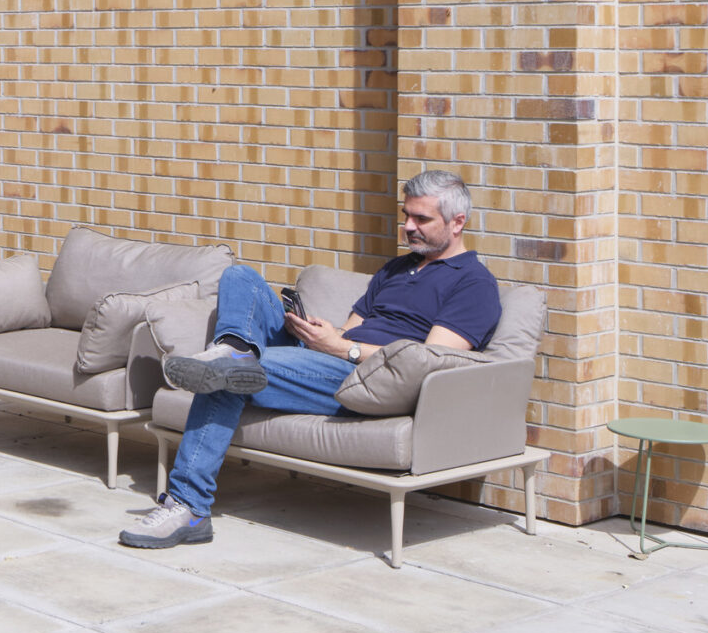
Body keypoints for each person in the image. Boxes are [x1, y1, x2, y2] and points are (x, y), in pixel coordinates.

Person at [119, 169, 500, 549]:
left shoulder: (474, 284)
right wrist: (323, 333)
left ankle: (189, 506)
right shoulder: (397, 268)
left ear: (457, 222)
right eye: (406, 216)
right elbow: (353, 328)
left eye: (421, 219)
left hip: (369, 379)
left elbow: (427, 360)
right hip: (333, 358)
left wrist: (340, 348)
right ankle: (235, 347)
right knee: (241, 279)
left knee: (230, 375)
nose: (408, 227)